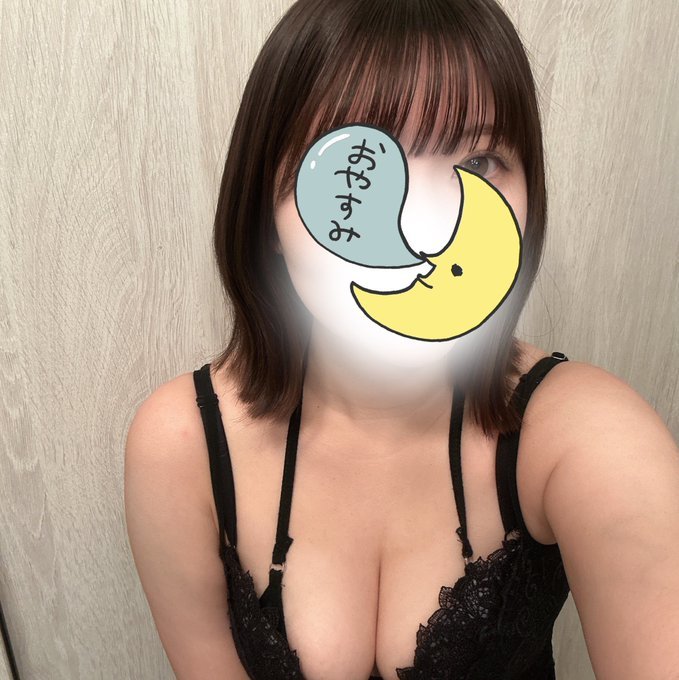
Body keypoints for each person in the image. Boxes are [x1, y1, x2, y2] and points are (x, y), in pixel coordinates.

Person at [124, 1, 679, 679]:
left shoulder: (586, 436)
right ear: (268, 213)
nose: (423, 224)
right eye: (358, 170)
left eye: (479, 162)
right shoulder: (181, 444)